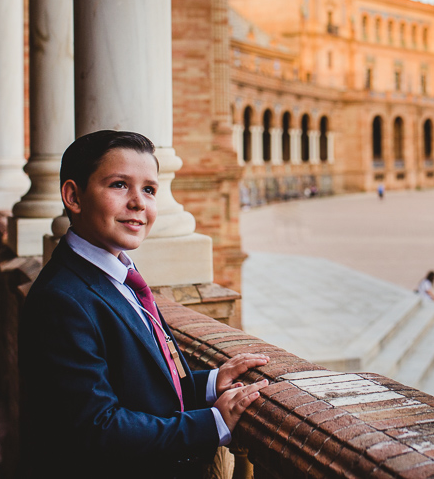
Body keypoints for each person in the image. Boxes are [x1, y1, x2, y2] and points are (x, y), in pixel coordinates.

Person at [19, 131, 269, 478]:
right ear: (73, 196)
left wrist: (211, 383)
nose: (139, 202)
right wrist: (212, 424)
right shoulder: (61, 299)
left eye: (149, 189)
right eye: (120, 185)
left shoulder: (120, 273)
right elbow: (98, 428)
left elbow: (141, 387)